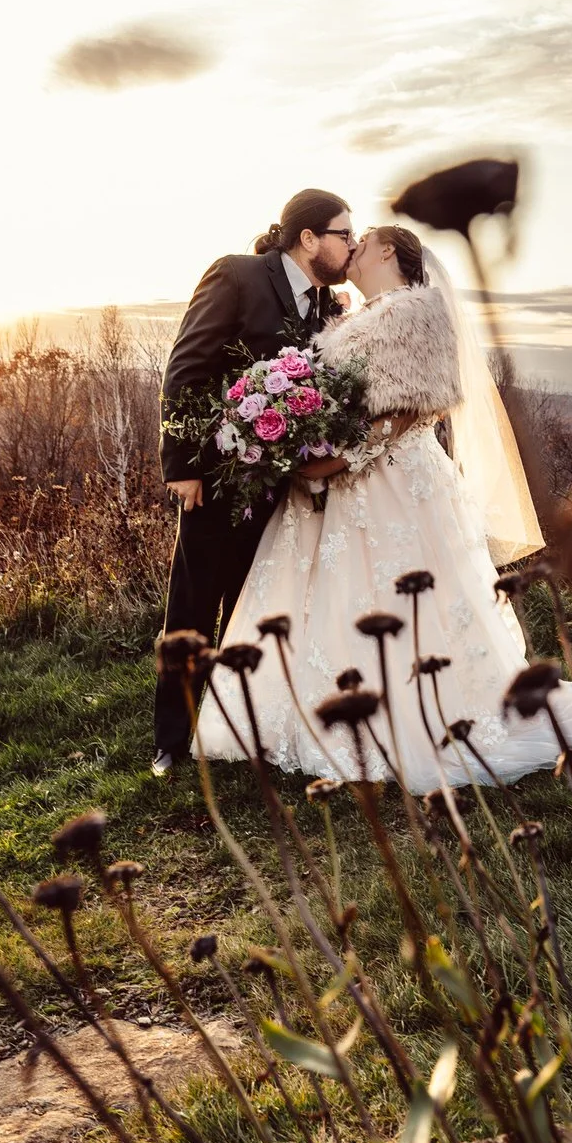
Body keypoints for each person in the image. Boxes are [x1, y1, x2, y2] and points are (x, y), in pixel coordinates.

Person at [194, 224, 572, 792]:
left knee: (390, 595)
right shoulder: (354, 314)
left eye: (362, 239)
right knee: (332, 594)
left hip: (392, 485)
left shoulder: (419, 312)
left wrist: (333, 463)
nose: (353, 246)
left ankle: (405, 719)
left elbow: (411, 414)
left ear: (388, 250)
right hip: (343, 488)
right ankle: (299, 715)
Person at [152, 189, 353, 775]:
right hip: (213, 477)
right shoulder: (237, 276)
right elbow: (186, 367)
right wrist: (183, 465)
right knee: (193, 607)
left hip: (278, 487)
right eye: (344, 233)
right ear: (309, 238)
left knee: (251, 608)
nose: (352, 244)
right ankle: (171, 738)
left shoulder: (325, 304)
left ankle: (233, 731)